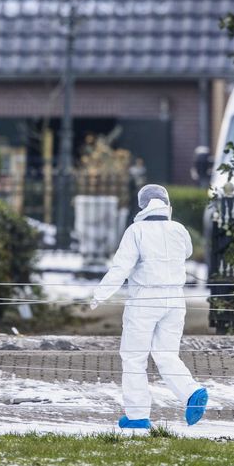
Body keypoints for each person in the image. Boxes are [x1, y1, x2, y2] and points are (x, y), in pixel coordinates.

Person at [90, 184, 208, 429]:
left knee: (134, 357)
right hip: (175, 301)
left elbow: (121, 268)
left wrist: (98, 295)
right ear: (166, 204)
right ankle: (191, 392)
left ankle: (137, 416)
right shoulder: (179, 229)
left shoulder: (136, 231)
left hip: (144, 301)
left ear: (142, 205)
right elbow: (186, 253)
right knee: (166, 354)